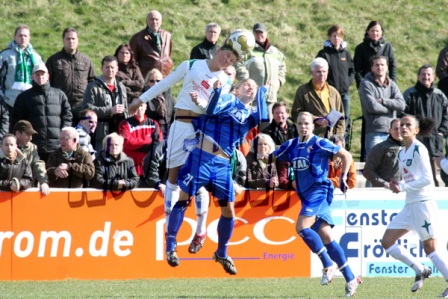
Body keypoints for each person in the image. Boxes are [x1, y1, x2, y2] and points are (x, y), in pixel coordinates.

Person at [129, 40, 238, 254]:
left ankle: (200, 231)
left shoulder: (224, 82)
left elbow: (213, 111)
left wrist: (203, 103)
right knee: (173, 176)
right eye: (226, 56)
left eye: (232, 60)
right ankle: (170, 238)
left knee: (200, 180)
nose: (227, 61)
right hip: (180, 124)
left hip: (202, 129)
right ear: (218, 51)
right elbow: (165, 83)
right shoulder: (191, 65)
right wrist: (140, 100)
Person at [165, 78, 268, 275]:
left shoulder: (250, 115)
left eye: (253, 87)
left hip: (223, 165)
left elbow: (265, 120)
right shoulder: (228, 99)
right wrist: (217, 92)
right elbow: (211, 110)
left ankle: (221, 253)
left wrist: (263, 92)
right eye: (247, 84)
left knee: (228, 210)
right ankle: (170, 245)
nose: (251, 88)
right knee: (184, 200)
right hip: (202, 158)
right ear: (237, 90)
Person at [267, 111, 361, 297]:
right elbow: (272, 156)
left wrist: (342, 176)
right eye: (300, 123)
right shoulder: (291, 145)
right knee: (326, 236)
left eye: (307, 123)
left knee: (301, 228)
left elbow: (346, 155)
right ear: (296, 126)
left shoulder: (319, 143)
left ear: (313, 126)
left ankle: (327, 264)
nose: (303, 126)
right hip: (305, 195)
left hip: (319, 191)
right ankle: (350, 278)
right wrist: (264, 158)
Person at [383, 115, 448, 297]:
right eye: (400, 125)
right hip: (409, 204)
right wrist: (398, 184)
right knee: (386, 242)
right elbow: (412, 177)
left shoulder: (419, 149)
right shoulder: (402, 152)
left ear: (416, 130)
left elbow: (428, 178)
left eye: (407, 125)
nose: (403, 128)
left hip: (422, 203)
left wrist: (403, 186)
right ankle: (420, 269)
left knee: (430, 248)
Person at [11, 63, 73, 162]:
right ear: (32, 76)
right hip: (33, 147)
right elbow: (16, 120)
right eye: (37, 74)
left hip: (56, 147)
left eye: (42, 74)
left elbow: (67, 115)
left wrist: (64, 132)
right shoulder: (23, 97)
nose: (40, 77)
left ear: (48, 76)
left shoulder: (60, 95)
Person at [403, 64, 448, 187]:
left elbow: (446, 115)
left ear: (433, 77)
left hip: (435, 138)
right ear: (418, 76)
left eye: (429, 74)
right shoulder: (410, 94)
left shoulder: (440, 95)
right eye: (423, 74)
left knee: (435, 167)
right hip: (417, 138)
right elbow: (403, 114)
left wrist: (442, 131)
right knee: (419, 167)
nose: (426, 77)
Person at [235, 22, 286, 122]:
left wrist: (278, 83)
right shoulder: (247, 50)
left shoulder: (275, 52)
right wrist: (247, 81)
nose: (259, 35)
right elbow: (238, 64)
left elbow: (282, 68)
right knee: (251, 125)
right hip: (252, 97)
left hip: (270, 98)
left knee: (266, 127)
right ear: (253, 34)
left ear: (266, 33)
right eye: (257, 33)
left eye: (261, 32)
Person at [358, 55, 405, 159]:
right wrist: (392, 108)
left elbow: (401, 105)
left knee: (394, 166)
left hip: (393, 132)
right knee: (375, 165)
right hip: (375, 132)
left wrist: (384, 101)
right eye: (377, 65)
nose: (380, 67)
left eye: (382, 65)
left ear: (387, 67)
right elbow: (372, 107)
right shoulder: (366, 84)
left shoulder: (392, 85)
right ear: (372, 68)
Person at [46, 27, 96, 121]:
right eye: (68, 38)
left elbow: (92, 82)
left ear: (78, 41)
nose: (71, 41)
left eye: (73, 38)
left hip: (82, 106)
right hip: (60, 105)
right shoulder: (53, 60)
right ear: (63, 40)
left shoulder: (86, 61)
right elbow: (47, 83)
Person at [82, 55, 128, 152]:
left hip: (118, 133)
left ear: (117, 69)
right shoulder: (92, 86)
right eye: (107, 67)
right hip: (100, 133)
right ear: (101, 68)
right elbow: (87, 108)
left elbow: (126, 108)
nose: (110, 70)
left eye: (112, 67)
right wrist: (110, 110)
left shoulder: (122, 87)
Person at [292, 57, 345, 138]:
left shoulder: (334, 92)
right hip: (311, 138)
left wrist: (338, 137)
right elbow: (296, 113)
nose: (322, 74)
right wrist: (315, 119)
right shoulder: (303, 91)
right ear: (311, 72)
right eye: (318, 72)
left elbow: (341, 118)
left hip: (331, 140)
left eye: (324, 71)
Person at [316, 25, 354, 131]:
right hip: (330, 94)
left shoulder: (346, 54)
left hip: (344, 94)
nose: (336, 38)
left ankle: (343, 142)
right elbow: (318, 71)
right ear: (329, 37)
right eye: (334, 36)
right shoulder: (323, 54)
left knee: (344, 119)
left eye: (339, 36)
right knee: (331, 120)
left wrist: (348, 82)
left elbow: (352, 70)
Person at [0, 25, 43, 111]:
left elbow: (42, 78)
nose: (23, 38)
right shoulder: (4, 55)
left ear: (29, 38)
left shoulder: (36, 57)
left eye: (25, 36)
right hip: (8, 102)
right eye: (20, 35)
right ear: (14, 37)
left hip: (31, 102)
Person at [118, 102, 163, 177]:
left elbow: (158, 145)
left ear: (146, 107)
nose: (139, 108)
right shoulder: (124, 124)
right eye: (136, 106)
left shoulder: (153, 123)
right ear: (131, 107)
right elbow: (127, 143)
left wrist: (137, 146)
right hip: (130, 168)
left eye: (141, 105)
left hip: (149, 168)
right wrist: (147, 140)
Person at [129, 10, 173, 78]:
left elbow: (168, 54)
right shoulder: (138, 38)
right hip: (147, 78)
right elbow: (132, 61)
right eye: (151, 19)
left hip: (165, 77)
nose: (154, 22)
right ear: (147, 21)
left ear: (161, 21)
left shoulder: (167, 35)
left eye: (156, 19)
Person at [354, 21, 396, 89]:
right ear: (368, 32)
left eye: (377, 31)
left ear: (381, 32)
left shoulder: (387, 47)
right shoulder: (360, 48)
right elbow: (357, 69)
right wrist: (361, 84)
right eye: (372, 31)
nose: (375, 33)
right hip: (367, 85)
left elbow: (392, 66)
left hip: (385, 85)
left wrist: (393, 85)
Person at [13, 120, 50, 195]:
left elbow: (38, 163)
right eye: (28, 134)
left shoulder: (32, 147)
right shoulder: (6, 146)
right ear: (17, 134)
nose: (31, 138)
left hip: (27, 187)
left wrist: (43, 182)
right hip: (9, 187)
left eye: (31, 135)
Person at [363, 118, 403, 188]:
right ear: (390, 131)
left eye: (400, 128)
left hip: (406, 191)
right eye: (396, 129)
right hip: (384, 192)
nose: (398, 131)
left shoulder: (412, 148)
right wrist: (384, 184)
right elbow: (368, 170)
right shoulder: (380, 148)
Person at [142, 68, 175, 139]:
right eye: (152, 81)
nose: (155, 84)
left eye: (158, 81)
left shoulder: (169, 96)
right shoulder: (143, 97)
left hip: (167, 132)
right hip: (149, 134)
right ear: (147, 82)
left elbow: (173, 115)